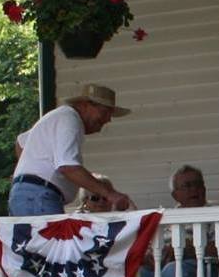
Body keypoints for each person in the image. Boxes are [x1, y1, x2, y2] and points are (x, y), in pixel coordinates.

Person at [9, 84, 135, 216]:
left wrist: (28, 175)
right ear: (85, 105)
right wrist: (110, 194)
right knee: (50, 237)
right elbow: (68, 167)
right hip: (40, 196)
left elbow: (21, 142)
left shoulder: (58, 117)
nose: (108, 119)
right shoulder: (70, 119)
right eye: (105, 113)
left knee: (31, 237)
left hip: (26, 196)